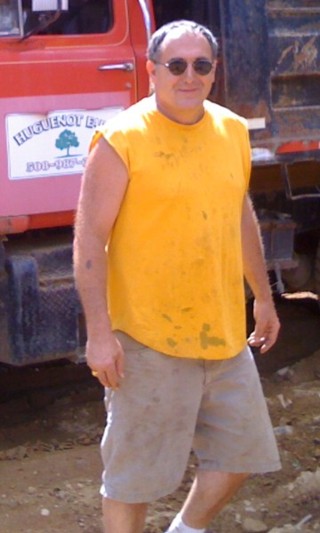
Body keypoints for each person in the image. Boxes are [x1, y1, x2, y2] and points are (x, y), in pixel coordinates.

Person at [73, 19, 281, 533]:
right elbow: (89, 240)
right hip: (147, 337)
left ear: (214, 72)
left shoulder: (231, 130)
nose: (189, 75)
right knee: (132, 481)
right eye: (176, 65)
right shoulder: (123, 139)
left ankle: (186, 530)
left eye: (201, 65)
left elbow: (238, 215)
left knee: (242, 454)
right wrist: (99, 334)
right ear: (152, 72)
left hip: (223, 334)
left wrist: (263, 296)